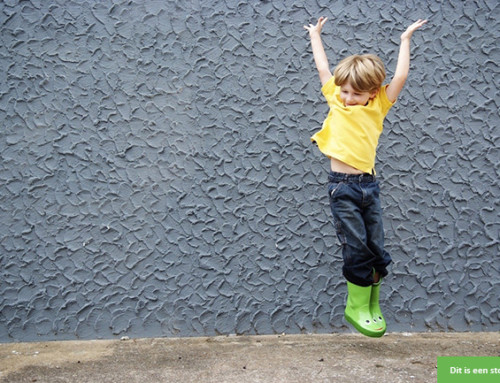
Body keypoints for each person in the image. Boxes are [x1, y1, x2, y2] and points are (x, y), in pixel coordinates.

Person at [304, 17, 427, 337]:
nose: (346, 98)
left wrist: (405, 40)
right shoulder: (336, 99)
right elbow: (323, 69)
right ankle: (356, 306)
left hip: (368, 187)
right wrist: (315, 36)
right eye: (344, 91)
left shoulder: (379, 105)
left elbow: (400, 76)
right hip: (342, 188)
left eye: (355, 94)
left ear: (373, 93)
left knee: (377, 249)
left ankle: (372, 304)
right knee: (356, 248)